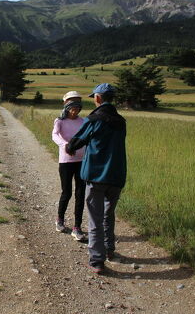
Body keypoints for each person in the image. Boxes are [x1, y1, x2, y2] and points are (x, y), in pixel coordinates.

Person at [67, 83, 126, 274]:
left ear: (98, 98)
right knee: (109, 215)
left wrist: (69, 147)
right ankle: (109, 250)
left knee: (95, 218)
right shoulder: (121, 121)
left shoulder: (93, 119)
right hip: (116, 175)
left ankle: (97, 260)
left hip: (96, 175)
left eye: (94, 97)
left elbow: (76, 141)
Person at [52, 90, 86, 241]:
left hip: (82, 161)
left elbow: (87, 137)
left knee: (80, 194)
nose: (75, 111)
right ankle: (60, 219)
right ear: (66, 107)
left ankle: (77, 227)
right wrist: (65, 145)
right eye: (72, 108)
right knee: (67, 192)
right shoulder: (59, 121)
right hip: (66, 161)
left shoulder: (83, 121)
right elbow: (55, 135)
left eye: (77, 108)